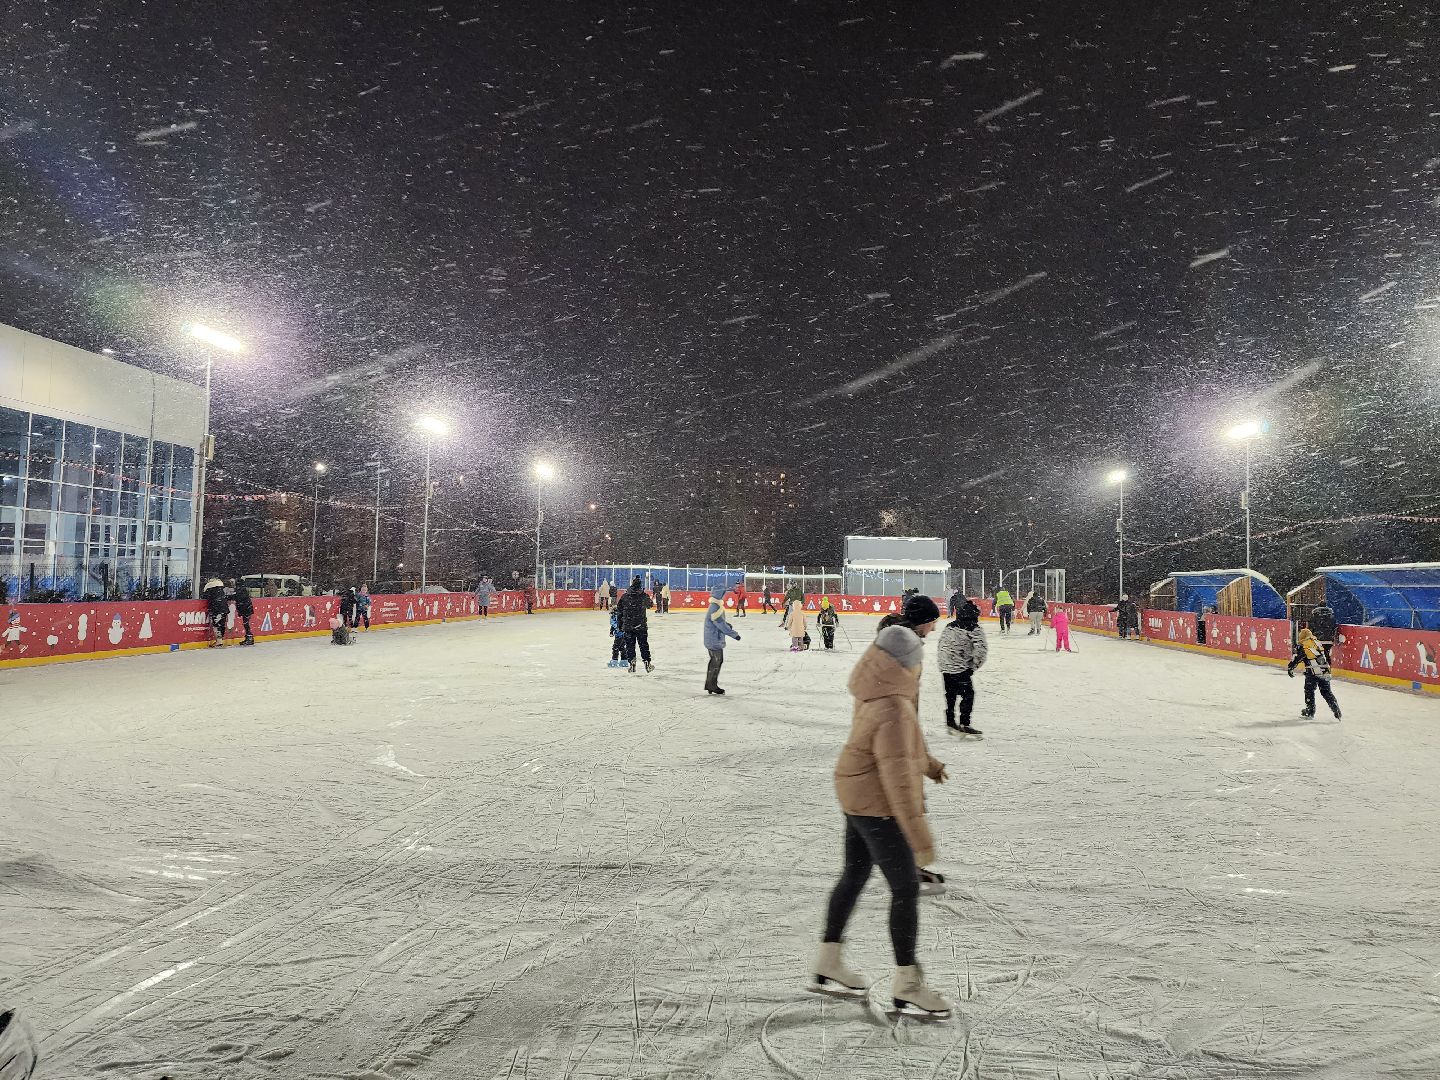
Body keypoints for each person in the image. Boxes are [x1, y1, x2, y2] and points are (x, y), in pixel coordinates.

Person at [812, 593, 952, 1018]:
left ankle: (828, 958)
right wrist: (921, 841)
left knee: (854, 874)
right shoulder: (894, 704)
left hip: (854, 789)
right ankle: (907, 983)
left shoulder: (877, 686)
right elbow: (897, 779)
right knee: (906, 887)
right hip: (874, 800)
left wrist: (927, 763)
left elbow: (898, 750)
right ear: (905, 663)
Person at [936, 599, 987, 733]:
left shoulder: (949, 626)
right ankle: (965, 723)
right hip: (961, 668)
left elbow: (942, 646)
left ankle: (950, 720)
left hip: (946, 667)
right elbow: (981, 651)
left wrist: (943, 664)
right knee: (968, 695)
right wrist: (973, 667)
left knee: (950, 694)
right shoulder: (974, 628)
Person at [1288, 625, 1342, 720]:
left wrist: (1291, 667)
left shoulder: (1305, 645)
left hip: (1312, 672)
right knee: (1326, 692)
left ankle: (1310, 711)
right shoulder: (1317, 643)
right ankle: (1336, 709)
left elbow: (1298, 658)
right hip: (1324, 670)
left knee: (1309, 690)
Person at [703, 585, 742, 694]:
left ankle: (710, 685)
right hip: (714, 640)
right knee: (716, 662)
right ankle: (712, 686)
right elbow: (720, 624)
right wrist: (734, 634)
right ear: (720, 594)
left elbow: (718, 622)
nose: (724, 596)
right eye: (723, 594)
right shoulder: (715, 607)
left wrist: (727, 624)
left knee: (714, 662)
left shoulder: (715, 605)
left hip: (712, 638)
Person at [617, 576, 655, 673]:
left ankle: (632, 662)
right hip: (640, 625)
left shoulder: (625, 596)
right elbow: (650, 605)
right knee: (643, 645)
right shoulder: (643, 596)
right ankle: (647, 662)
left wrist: (620, 626)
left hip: (628, 626)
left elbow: (619, 612)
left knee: (630, 646)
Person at [202, 576, 229, 647]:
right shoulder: (221, 589)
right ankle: (220, 640)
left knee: (216, 624)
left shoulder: (210, 589)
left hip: (216, 609)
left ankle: (219, 641)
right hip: (224, 608)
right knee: (222, 624)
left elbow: (205, 597)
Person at [230, 577, 255, 645]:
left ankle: (249, 638)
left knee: (246, 624)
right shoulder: (242, 589)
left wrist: (227, 597)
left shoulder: (240, 590)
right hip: (246, 608)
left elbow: (237, 597)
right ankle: (249, 638)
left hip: (246, 609)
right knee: (246, 623)